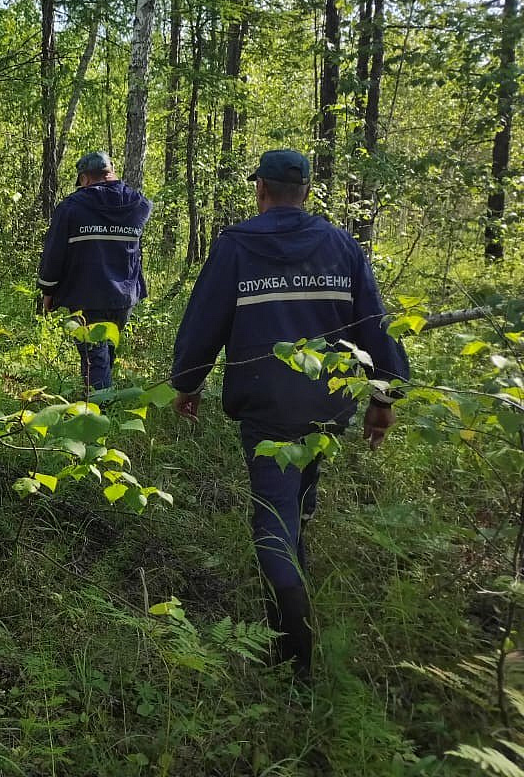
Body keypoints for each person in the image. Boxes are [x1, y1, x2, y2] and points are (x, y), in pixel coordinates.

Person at [169, 148, 410, 680]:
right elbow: (375, 323)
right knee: (297, 494)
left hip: (268, 404)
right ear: (304, 191)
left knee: (273, 516)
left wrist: (187, 384)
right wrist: (382, 399)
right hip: (328, 402)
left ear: (261, 191)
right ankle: (295, 583)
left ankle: (293, 652)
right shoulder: (340, 245)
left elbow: (205, 320)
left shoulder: (236, 246)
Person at [36, 151, 153, 395]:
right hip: (124, 295)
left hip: (86, 294)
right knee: (105, 349)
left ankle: (99, 412)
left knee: (94, 355)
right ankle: (102, 403)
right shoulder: (139, 204)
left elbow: (54, 253)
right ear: (111, 172)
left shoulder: (71, 208)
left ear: (85, 179)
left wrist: (48, 290)